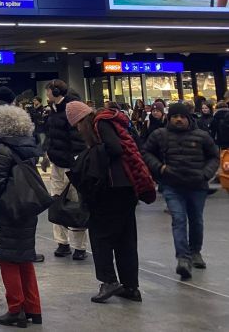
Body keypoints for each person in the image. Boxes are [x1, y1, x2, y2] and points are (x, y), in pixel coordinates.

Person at [68, 101, 153, 304]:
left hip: (111, 189)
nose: (79, 130)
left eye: (78, 125)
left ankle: (108, 281)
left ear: (82, 119)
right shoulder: (112, 122)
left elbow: (113, 149)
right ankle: (131, 286)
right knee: (126, 239)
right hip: (126, 188)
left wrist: (88, 156)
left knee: (100, 235)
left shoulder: (101, 123)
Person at [143, 102, 220, 279]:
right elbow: (146, 152)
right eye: (175, 117)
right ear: (169, 118)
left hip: (197, 186)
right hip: (172, 185)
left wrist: (205, 174)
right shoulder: (159, 135)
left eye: (182, 117)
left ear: (188, 118)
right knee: (178, 219)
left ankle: (195, 252)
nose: (179, 120)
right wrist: (160, 168)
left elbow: (214, 156)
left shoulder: (201, 136)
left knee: (196, 220)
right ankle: (183, 258)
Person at [0, 105, 42, 328]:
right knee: (25, 257)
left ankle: (15, 309)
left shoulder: (1, 149)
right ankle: (33, 308)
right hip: (27, 207)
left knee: (6, 258)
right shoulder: (29, 147)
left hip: (7, 210)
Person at [44, 80, 88, 260]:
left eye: (48, 91)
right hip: (57, 163)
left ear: (54, 91)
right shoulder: (54, 112)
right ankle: (62, 243)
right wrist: (48, 155)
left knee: (76, 203)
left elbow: (78, 141)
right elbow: (52, 137)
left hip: (71, 165)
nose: (46, 94)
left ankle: (79, 246)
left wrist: (75, 163)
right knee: (56, 202)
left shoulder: (71, 111)